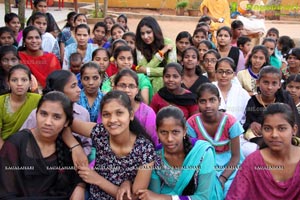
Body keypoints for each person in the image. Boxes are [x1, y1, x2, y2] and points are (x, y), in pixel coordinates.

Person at [63, 90, 156, 199]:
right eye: (106, 114)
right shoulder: (100, 132)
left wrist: (97, 179)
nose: (112, 120)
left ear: (131, 115)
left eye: (119, 113)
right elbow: (64, 122)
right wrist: (75, 147)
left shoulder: (145, 149)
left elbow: (134, 197)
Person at [0, 91, 85, 199]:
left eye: (56, 117)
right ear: (36, 114)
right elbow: (6, 193)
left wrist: (80, 187)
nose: (48, 122)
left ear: (66, 122)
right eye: (43, 114)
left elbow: (78, 178)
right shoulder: (16, 143)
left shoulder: (71, 147)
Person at [137, 106, 224, 200]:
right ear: (157, 132)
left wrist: (166, 198)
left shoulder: (203, 152)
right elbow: (154, 194)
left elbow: (204, 197)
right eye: (163, 132)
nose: (169, 139)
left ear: (184, 131)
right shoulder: (155, 155)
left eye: (175, 132)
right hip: (167, 194)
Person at [226, 103, 300, 199]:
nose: (274, 135)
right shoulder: (253, 163)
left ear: (294, 130)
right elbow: (236, 196)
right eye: (267, 129)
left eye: (282, 128)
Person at [187, 83, 244, 195]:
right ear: (197, 103)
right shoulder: (192, 123)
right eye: (203, 101)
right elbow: (194, 154)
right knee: (207, 191)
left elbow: (236, 156)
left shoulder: (230, 122)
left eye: (212, 100)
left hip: (230, 165)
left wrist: (223, 178)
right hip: (204, 164)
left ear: (219, 101)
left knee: (230, 191)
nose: (208, 105)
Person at [21, 70, 92, 157]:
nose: (79, 90)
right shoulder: (36, 114)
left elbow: (87, 144)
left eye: (77, 85)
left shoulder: (82, 113)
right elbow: (23, 141)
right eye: (73, 86)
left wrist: (78, 156)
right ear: (58, 91)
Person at [97, 68, 158, 146]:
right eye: (122, 85)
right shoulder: (106, 109)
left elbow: (153, 142)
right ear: (114, 88)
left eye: (131, 86)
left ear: (137, 90)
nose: (127, 90)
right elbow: (100, 134)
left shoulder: (147, 112)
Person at [243, 66, 300, 143]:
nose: (269, 87)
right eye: (266, 82)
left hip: (285, 136)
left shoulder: (285, 97)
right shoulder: (253, 102)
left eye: (274, 83)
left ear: (279, 85)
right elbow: (247, 124)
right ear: (258, 83)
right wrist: (251, 124)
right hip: (263, 137)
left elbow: (294, 119)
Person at [0, 64, 41, 149]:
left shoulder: (38, 100)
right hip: (4, 147)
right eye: (14, 80)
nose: (19, 84)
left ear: (30, 82)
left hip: (30, 146)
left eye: (24, 80)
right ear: (8, 83)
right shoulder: (1, 101)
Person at [135, 16, 177, 93]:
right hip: (146, 83)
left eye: (148, 32)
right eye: (142, 33)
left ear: (155, 31)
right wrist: (161, 53)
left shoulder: (168, 43)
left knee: (159, 80)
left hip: (167, 82)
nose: (145, 37)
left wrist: (147, 71)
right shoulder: (139, 45)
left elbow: (172, 70)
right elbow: (141, 71)